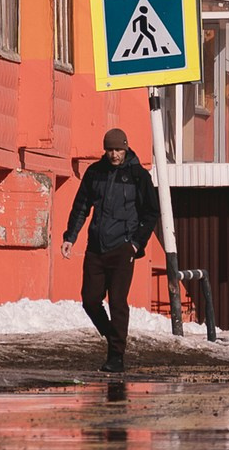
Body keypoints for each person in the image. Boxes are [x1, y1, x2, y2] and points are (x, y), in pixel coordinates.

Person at [64, 124, 162, 375]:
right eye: (109, 150)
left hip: (122, 247)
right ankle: (113, 337)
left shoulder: (139, 176)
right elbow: (81, 206)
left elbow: (151, 213)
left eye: (118, 149)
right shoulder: (95, 173)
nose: (114, 154)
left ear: (126, 148)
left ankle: (116, 357)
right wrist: (70, 237)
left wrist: (135, 243)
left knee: (118, 302)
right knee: (90, 300)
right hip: (96, 247)